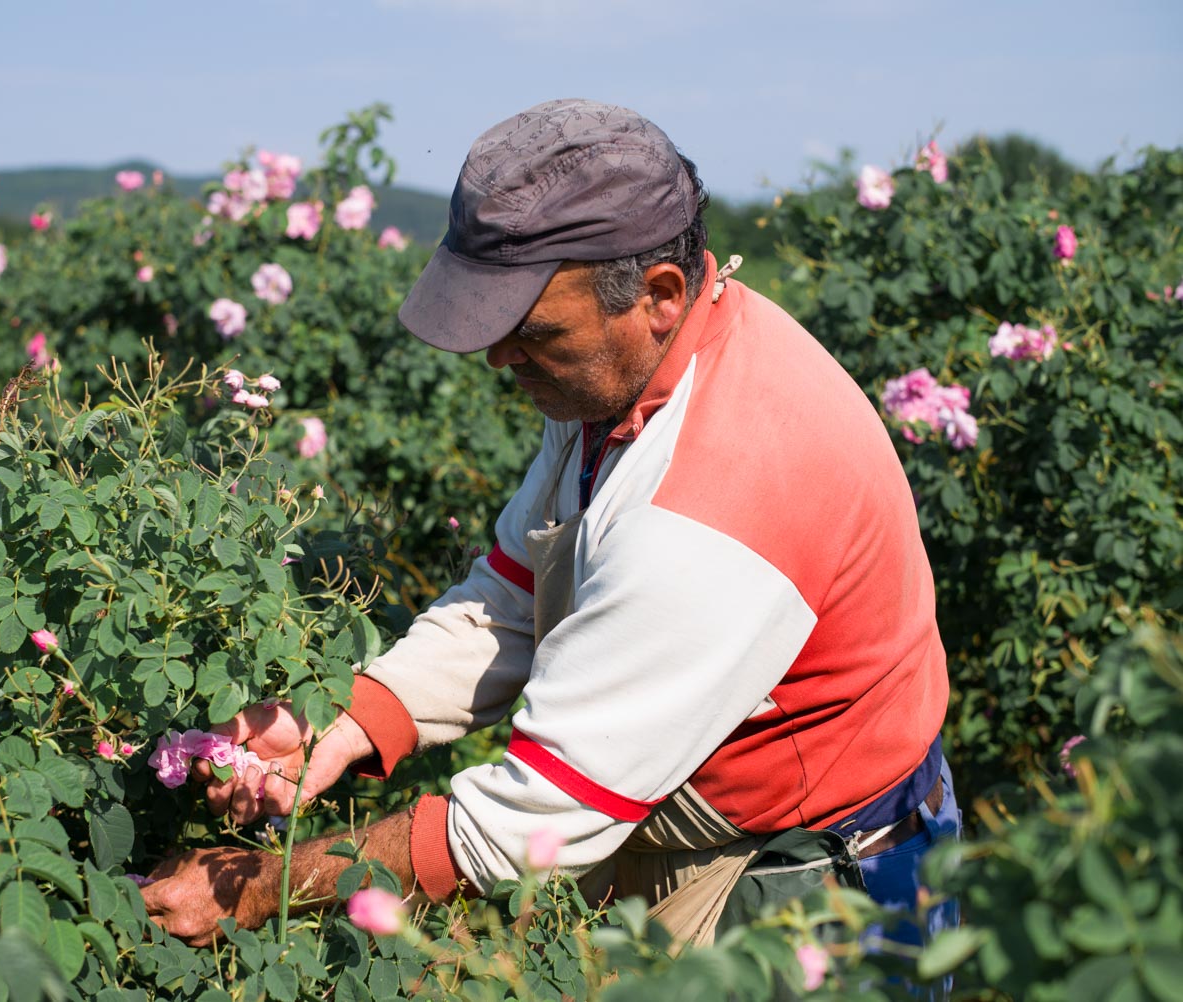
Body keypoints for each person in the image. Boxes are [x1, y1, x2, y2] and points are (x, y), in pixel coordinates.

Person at [142, 98, 961, 956]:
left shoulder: (712, 503)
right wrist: (337, 728)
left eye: (530, 332)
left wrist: (255, 887)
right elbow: (514, 593)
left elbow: (524, 824)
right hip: (689, 813)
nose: (500, 358)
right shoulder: (630, 376)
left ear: (659, 295)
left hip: (806, 883)